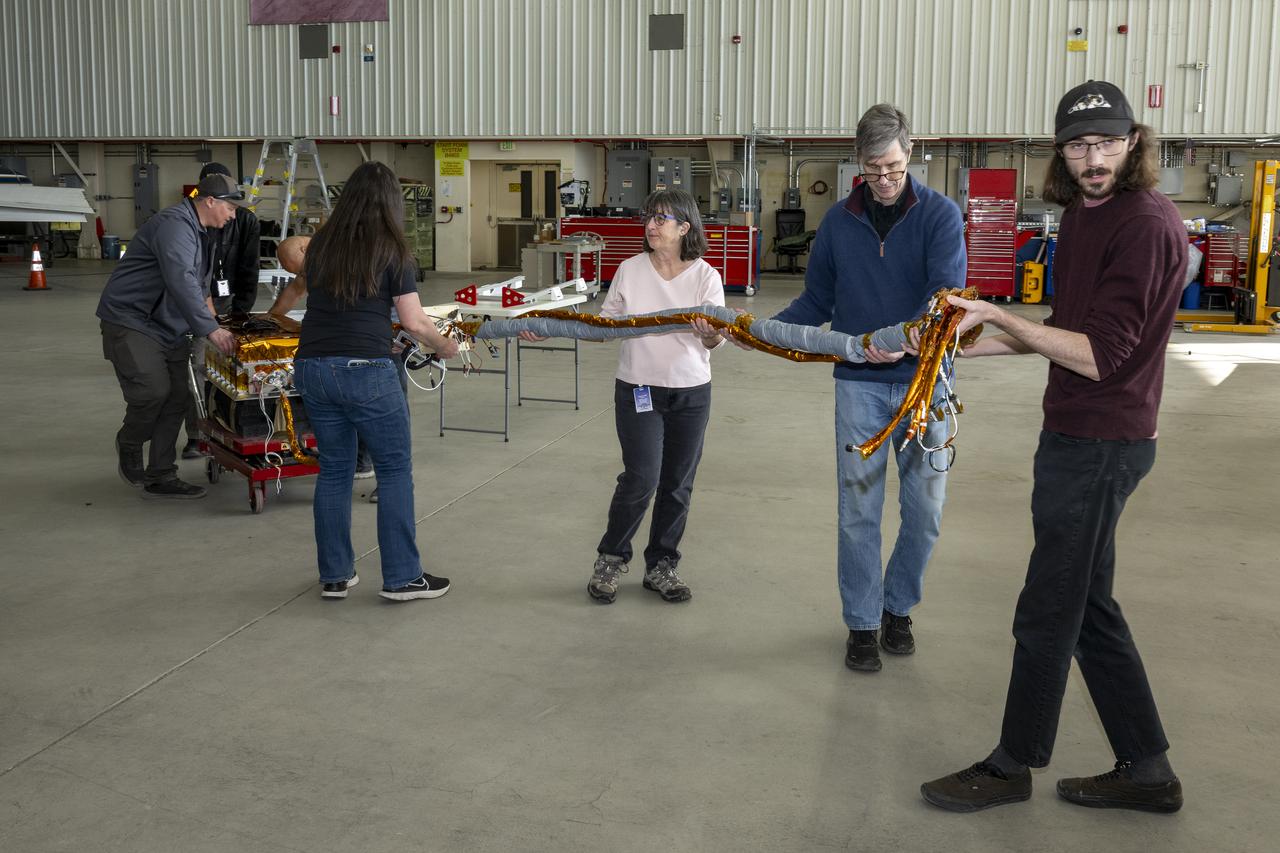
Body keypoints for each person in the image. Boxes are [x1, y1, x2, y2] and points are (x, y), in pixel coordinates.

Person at [921, 80, 1186, 814]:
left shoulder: (1147, 224)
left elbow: (1101, 355)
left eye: (1106, 142)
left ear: (1135, 141)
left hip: (1104, 441)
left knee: (1048, 609)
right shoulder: (1083, 217)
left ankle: (1011, 764)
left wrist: (997, 315)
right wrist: (972, 346)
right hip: (1073, 429)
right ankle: (1149, 768)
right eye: (1077, 144)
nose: (1092, 158)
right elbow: (1066, 330)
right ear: (1060, 153)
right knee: (1089, 605)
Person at [771, 104, 966, 671]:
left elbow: (944, 301)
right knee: (858, 509)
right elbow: (815, 303)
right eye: (874, 169)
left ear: (911, 155)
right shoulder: (837, 223)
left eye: (896, 167)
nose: (884, 180)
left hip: (926, 384)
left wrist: (898, 337)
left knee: (924, 509)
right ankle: (861, 622)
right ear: (858, 162)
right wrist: (759, 330)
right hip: (857, 383)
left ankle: (897, 608)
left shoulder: (940, 216)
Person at [523, 189, 725, 604]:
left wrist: (711, 334)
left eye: (661, 218)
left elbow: (712, 343)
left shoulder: (706, 275)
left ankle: (662, 565)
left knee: (678, 483)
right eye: (649, 217)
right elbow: (604, 326)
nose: (651, 225)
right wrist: (550, 325)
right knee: (641, 477)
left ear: (685, 227)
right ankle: (611, 558)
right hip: (639, 388)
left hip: (690, 391)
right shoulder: (631, 270)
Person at [292, 161, 459, 601]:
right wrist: (445, 346)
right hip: (365, 370)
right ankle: (403, 577)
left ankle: (335, 575)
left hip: (312, 367)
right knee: (394, 470)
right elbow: (414, 322)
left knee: (334, 471)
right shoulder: (392, 248)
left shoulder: (324, 244)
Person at [96, 173, 242, 499]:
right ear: (210, 201)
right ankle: (131, 441)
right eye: (230, 208)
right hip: (133, 321)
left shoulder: (203, 232)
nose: (233, 215)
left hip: (170, 325)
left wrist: (218, 326)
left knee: (179, 396)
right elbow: (180, 280)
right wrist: (210, 329)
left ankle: (161, 474)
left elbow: (200, 286)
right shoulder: (174, 225)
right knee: (153, 391)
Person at [182, 162, 262, 458]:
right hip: (194, 305)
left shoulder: (245, 222)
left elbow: (248, 269)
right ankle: (196, 435)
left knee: (234, 370)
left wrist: (241, 314)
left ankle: (237, 429)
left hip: (229, 305)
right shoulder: (189, 221)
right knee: (199, 369)